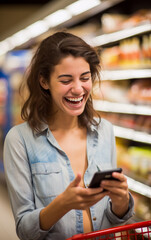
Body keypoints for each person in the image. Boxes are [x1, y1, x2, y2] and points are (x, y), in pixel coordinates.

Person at [3, 31, 134, 240]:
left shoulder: (105, 131)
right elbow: (25, 230)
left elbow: (113, 220)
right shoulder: (19, 140)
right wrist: (62, 205)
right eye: (66, 80)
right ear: (44, 82)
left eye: (85, 77)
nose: (78, 89)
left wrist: (120, 202)